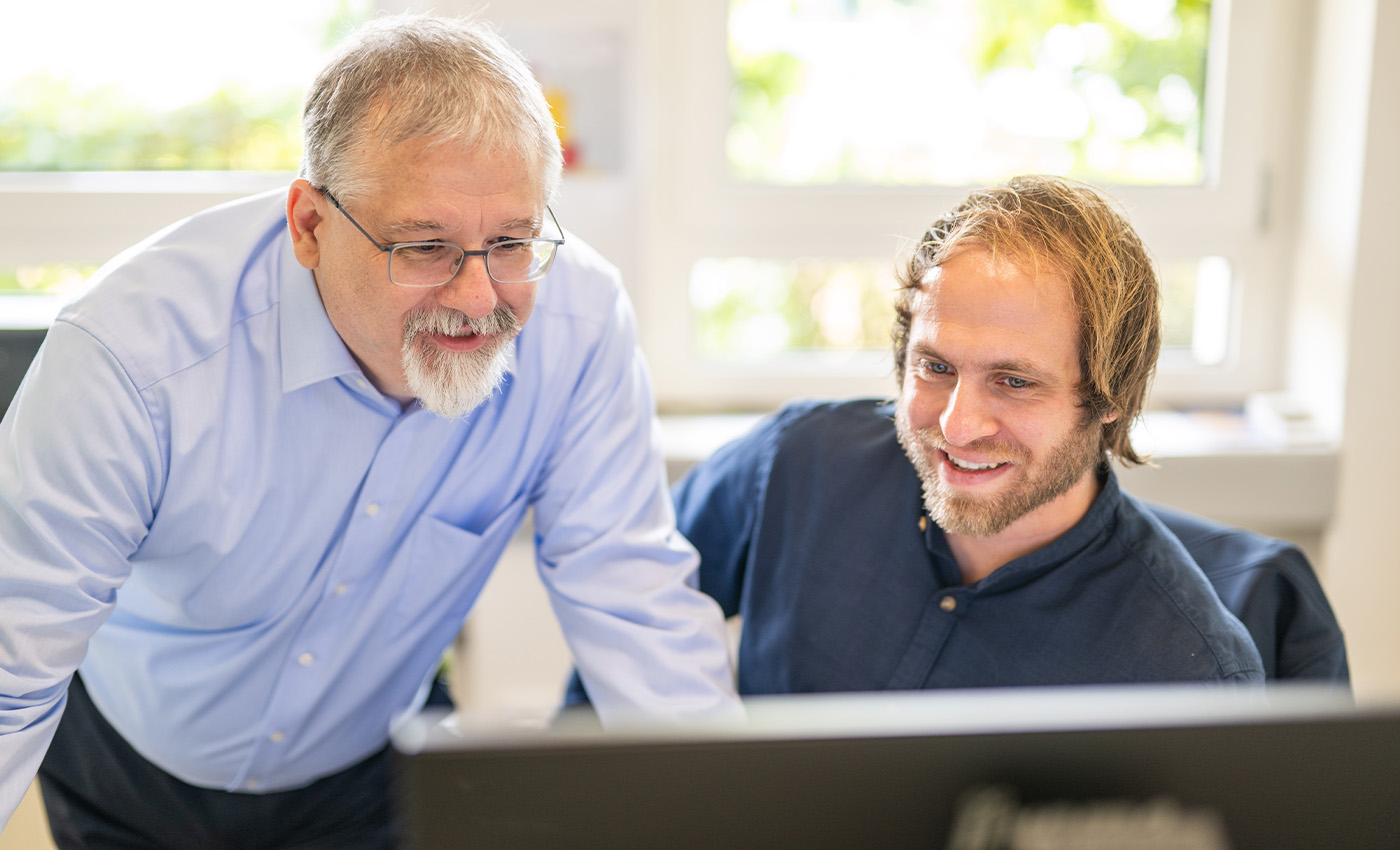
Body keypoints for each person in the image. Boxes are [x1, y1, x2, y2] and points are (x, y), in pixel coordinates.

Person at [0, 14, 739, 847]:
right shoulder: (135, 356)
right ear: (310, 226)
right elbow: (10, 663)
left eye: (511, 241)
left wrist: (725, 821)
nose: (476, 296)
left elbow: (630, 594)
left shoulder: (582, 323)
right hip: (133, 762)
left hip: (373, 765)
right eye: (425, 247)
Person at [656, 175, 1273, 696]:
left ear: (1109, 396)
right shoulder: (796, 462)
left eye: (1013, 381)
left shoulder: (1189, 677)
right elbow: (631, 607)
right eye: (936, 367)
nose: (956, 426)